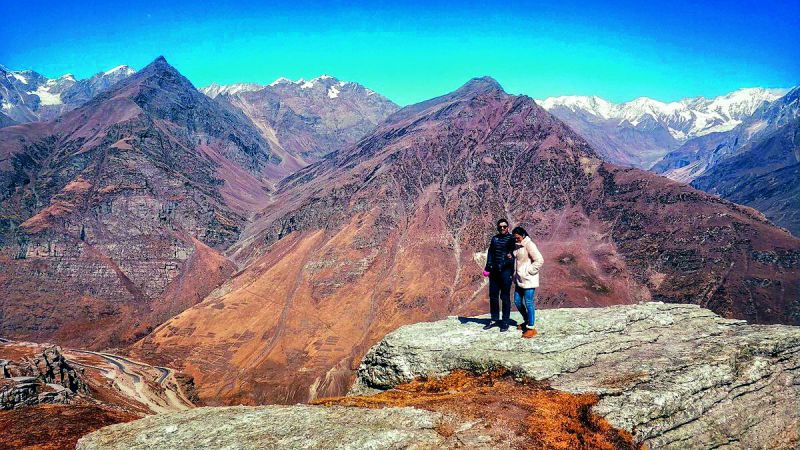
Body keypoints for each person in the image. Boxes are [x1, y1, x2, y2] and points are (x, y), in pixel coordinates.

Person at [482, 219, 516, 331]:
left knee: (505, 297)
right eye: (500, 227)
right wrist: (488, 267)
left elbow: (515, 254)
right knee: (493, 296)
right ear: (497, 227)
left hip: (506, 272)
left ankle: (505, 321)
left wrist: (511, 269)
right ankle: (494, 319)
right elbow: (490, 253)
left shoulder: (511, 239)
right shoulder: (494, 239)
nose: (502, 228)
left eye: (504, 226)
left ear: (508, 227)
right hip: (494, 272)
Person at [511, 226, 543, 338]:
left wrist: (529, 271)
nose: (516, 240)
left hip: (528, 279)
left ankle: (531, 327)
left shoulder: (529, 245)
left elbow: (539, 260)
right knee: (517, 301)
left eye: (518, 238)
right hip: (519, 279)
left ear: (523, 235)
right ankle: (526, 320)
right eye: (515, 238)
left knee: (529, 302)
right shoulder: (517, 245)